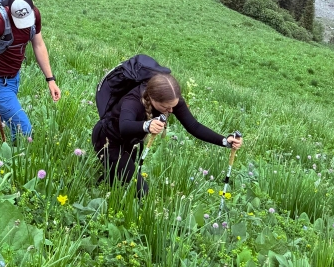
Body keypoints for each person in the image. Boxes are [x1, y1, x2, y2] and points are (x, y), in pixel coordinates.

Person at [91, 70, 243, 188]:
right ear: (151, 97)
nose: (170, 110)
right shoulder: (133, 101)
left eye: (173, 106)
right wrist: (147, 125)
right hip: (108, 140)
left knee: (119, 180)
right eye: (165, 107)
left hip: (132, 143)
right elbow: (125, 126)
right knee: (139, 189)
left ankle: (103, 188)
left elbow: (193, 126)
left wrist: (224, 141)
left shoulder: (171, 100)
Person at [0, 0, 61, 138]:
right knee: (24, 130)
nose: (24, 25)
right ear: (10, 12)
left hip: (13, 76)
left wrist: (50, 79)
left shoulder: (34, 14)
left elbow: (38, 45)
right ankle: (16, 155)